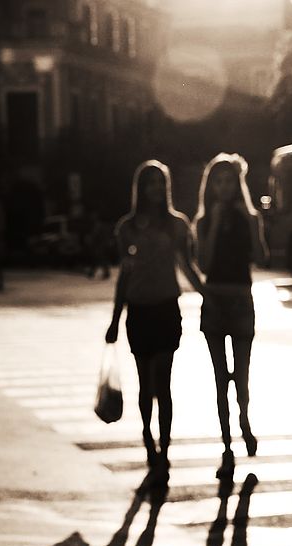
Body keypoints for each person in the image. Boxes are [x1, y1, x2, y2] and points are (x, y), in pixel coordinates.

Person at [105, 160, 206, 487]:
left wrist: (208, 293)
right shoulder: (127, 228)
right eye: (149, 184)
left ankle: (165, 449)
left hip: (166, 309)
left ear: (166, 188)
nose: (155, 190)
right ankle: (148, 438)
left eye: (159, 183)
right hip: (138, 310)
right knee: (145, 385)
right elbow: (125, 274)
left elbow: (187, 266)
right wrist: (114, 319)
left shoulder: (177, 225)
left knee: (163, 383)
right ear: (140, 189)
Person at [194, 153, 269, 478]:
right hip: (214, 301)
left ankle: (245, 421)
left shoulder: (248, 217)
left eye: (229, 181)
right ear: (211, 187)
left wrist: (250, 223)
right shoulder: (203, 221)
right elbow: (205, 265)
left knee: (242, 375)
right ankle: (226, 444)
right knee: (219, 379)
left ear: (238, 185)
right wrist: (215, 220)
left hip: (241, 300)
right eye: (218, 182)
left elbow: (261, 258)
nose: (224, 187)